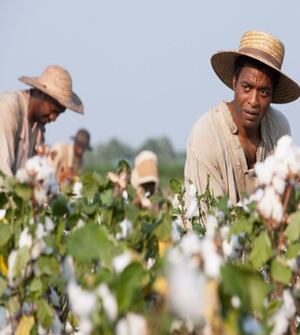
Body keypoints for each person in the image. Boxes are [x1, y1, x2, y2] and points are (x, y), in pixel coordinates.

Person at [185, 30, 300, 205]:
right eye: (247, 87)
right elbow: (208, 220)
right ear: (234, 83)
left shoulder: (278, 128)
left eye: (263, 92)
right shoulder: (207, 134)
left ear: (272, 95)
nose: (254, 101)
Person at [0, 65, 84, 176]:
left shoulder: (39, 130)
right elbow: (2, 173)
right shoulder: (9, 107)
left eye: (59, 114)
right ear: (41, 92)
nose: (54, 118)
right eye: (53, 110)